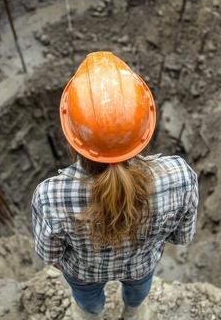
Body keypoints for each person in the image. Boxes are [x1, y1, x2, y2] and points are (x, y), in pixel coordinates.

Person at [32, 51, 198, 320]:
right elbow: (181, 237)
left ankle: (92, 316)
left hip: (84, 274)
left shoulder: (49, 197)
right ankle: (133, 314)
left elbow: (50, 255)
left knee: (88, 307)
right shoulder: (181, 177)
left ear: (72, 138)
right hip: (141, 267)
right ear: (146, 128)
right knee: (137, 300)